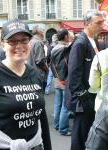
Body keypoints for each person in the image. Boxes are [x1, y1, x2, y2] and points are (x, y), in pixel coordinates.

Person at [0, 19, 51, 150]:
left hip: (36, 146)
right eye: (13, 41)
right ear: (3, 45)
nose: (19, 45)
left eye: (24, 40)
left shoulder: (34, 73)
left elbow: (42, 117)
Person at [65, 9, 104, 150]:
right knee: (80, 133)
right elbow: (74, 73)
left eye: (103, 22)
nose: (102, 25)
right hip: (83, 98)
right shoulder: (80, 43)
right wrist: (83, 96)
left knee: (87, 131)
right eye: (98, 23)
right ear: (87, 24)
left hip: (91, 96)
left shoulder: (93, 41)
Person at [52, 29, 71, 136]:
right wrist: (64, 79)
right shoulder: (65, 48)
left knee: (58, 103)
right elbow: (66, 65)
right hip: (64, 79)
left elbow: (51, 64)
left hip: (57, 79)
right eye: (68, 35)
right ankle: (63, 129)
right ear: (65, 37)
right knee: (65, 105)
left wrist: (57, 77)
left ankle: (57, 125)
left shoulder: (55, 47)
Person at [26, 25, 49, 91]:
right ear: (40, 32)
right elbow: (39, 61)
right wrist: (47, 69)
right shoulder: (38, 43)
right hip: (38, 75)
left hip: (31, 74)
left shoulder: (30, 42)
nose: (44, 32)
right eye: (43, 30)